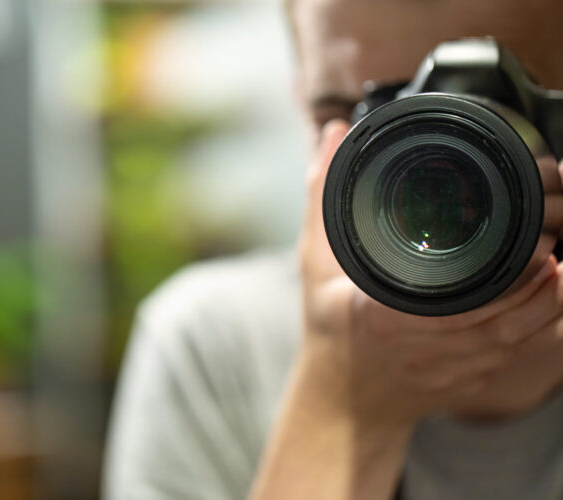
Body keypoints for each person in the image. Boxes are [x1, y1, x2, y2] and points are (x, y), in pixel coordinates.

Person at [103, 0, 563, 498]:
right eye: (354, 115)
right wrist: (341, 405)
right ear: (303, 102)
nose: (400, 158)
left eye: (479, 111)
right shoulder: (218, 349)